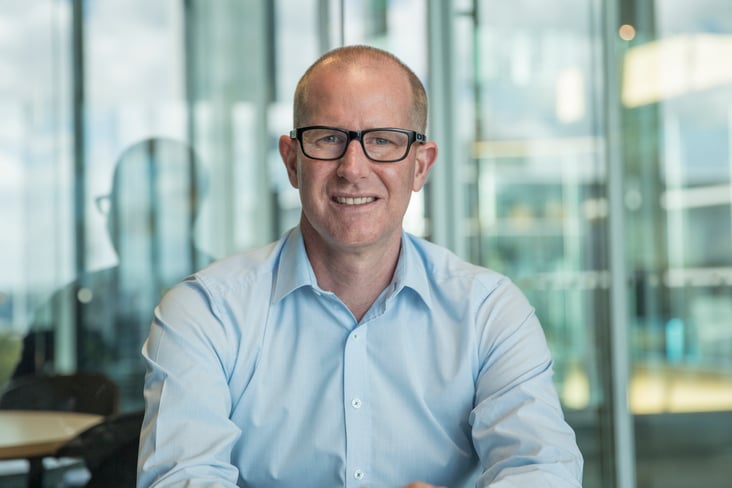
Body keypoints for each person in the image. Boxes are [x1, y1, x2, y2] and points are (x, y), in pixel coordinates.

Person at [138, 46, 583, 487]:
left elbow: (545, 470)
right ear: (292, 161)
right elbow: (181, 478)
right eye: (328, 138)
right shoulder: (207, 311)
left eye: (383, 141)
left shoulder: (488, 311)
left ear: (420, 166)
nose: (353, 168)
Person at [14, 137, 211, 411]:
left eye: (143, 210)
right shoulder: (72, 303)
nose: (124, 221)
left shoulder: (227, 298)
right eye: (118, 204)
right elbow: (21, 401)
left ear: (190, 211)